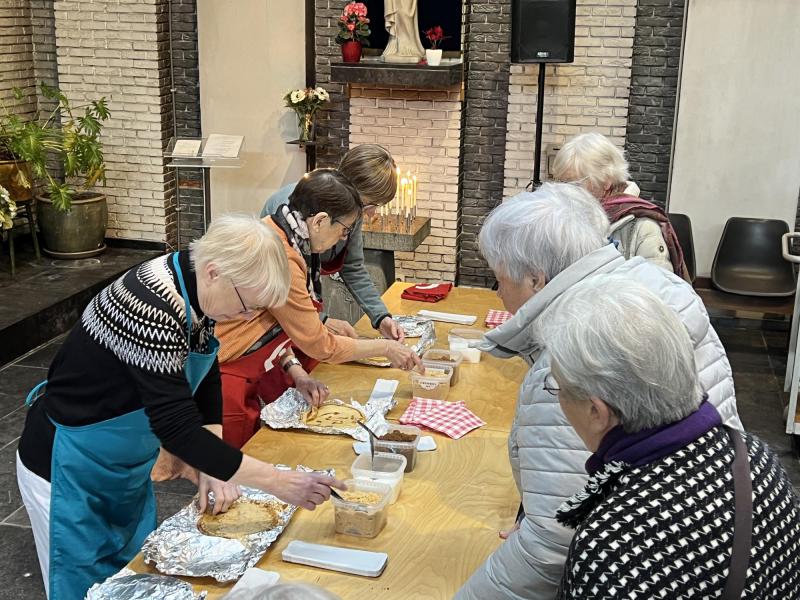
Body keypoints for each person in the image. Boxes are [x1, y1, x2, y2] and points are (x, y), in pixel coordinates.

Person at [15, 215, 345, 599]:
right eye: (246, 306)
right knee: (87, 589)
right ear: (213, 272)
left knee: (129, 579)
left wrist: (212, 462)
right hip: (67, 468)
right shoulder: (150, 306)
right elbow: (177, 428)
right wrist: (281, 482)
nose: (247, 317)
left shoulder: (197, 289)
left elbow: (207, 376)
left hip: (120, 470)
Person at [455, 183, 742, 599]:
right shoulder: (661, 287)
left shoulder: (572, 356)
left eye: (499, 279)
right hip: (714, 522)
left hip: (655, 562)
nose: (498, 292)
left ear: (536, 278)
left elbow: (552, 545)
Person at [536, 275, 800, 598]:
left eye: (558, 389)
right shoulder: (756, 458)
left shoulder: (609, 545)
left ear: (597, 412)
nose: (559, 399)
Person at [219, 169, 422, 447]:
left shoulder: (284, 230)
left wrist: (297, 372)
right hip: (227, 370)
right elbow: (321, 344)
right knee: (229, 470)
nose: (342, 239)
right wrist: (386, 348)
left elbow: (273, 322)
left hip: (242, 364)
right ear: (320, 222)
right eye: (343, 231)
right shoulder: (283, 257)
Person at [261, 144, 405, 342]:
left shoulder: (351, 209)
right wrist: (322, 320)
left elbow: (352, 267)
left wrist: (381, 316)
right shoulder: (287, 210)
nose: (372, 214)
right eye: (370, 205)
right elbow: (279, 293)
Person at [552, 131, 689, 279]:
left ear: (605, 181)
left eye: (574, 184)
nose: (565, 192)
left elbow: (657, 290)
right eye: (561, 183)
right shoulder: (567, 218)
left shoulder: (642, 227)